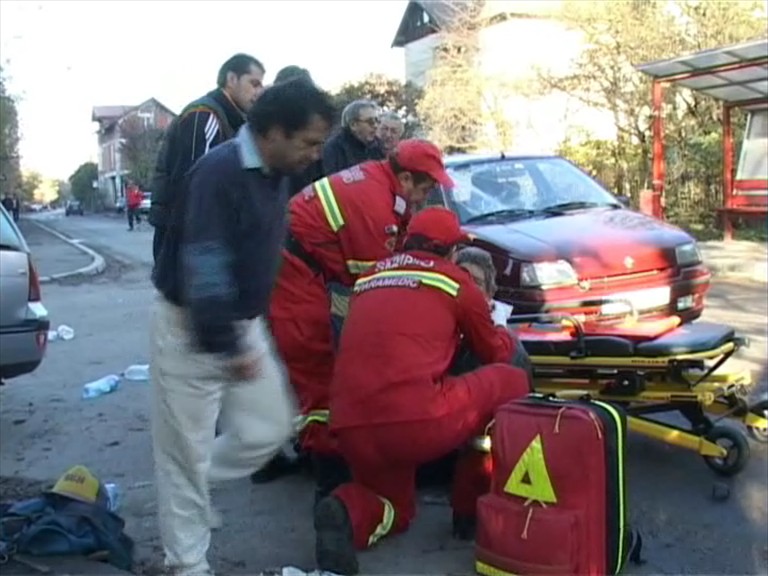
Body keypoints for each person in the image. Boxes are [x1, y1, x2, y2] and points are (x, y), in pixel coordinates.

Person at [149, 77, 336, 576]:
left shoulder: (274, 173)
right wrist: (228, 346)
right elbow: (205, 262)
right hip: (191, 328)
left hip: (242, 325)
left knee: (270, 429)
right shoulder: (218, 173)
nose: (315, 156)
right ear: (273, 131)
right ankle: (187, 562)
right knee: (184, 452)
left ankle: (186, 487)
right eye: (310, 143)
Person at [314, 207, 532, 575]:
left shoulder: (370, 276)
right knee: (510, 379)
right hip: (414, 423)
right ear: (450, 252)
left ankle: (345, 511)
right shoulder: (453, 281)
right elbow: (496, 351)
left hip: (351, 427)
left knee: (394, 510)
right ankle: (471, 504)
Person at [268, 139, 452, 503]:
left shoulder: (379, 183)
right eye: (426, 189)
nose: (425, 198)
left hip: (301, 265)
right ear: (405, 178)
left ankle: (323, 457)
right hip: (294, 273)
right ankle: (330, 484)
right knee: (317, 371)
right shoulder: (373, 206)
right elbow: (375, 290)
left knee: (327, 363)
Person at [149, 53, 266, 262]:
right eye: (254, 83)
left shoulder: (232, 120)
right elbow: (198, 185)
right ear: (232, 79)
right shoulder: (206, 115)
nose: (260, 91)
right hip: (190, 241)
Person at [322, 100, 385, 175]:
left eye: (377, 121)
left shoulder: (377, 146)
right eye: (370, 121)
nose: (375, 126)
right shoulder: (333, 149)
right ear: (353, 125)